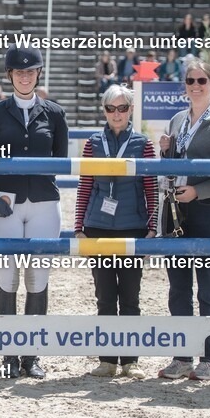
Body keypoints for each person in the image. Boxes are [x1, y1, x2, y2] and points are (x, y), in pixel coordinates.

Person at [0, 46, 68, 379]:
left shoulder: (55, 114)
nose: (25, 77)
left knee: (37, 278)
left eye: (30, 72)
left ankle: (31, 355)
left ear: (38, 74)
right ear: (10, 76)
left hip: (44, 201)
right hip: (6, 204)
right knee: (6, 277)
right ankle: (7, 354)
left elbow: (58, 161)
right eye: (19, 72)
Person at [75, 85, 158, 379]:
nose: (117, 114)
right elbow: (85, 185)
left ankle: (131, 360)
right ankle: (108, 359)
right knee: (105, 296)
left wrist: (153, 225)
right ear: (104, 111)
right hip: (98, 227)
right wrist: (78, 226)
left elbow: (151, 187)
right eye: (111, 109)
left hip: (132, 228)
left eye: (122, 108)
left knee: (131, 297)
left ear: (131, 110)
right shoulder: (92, 143)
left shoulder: (143, 144)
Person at [157, 59, 210, 382]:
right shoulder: (176, 121)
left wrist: (198, 192)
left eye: (202, 80)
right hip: (175, 211)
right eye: (190, 81)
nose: (196, 85)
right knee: (178, 288)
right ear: (184, 85)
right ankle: (182, 355)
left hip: (209, 210)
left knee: (208, 288)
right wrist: (165, 154)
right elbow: (170, 168)